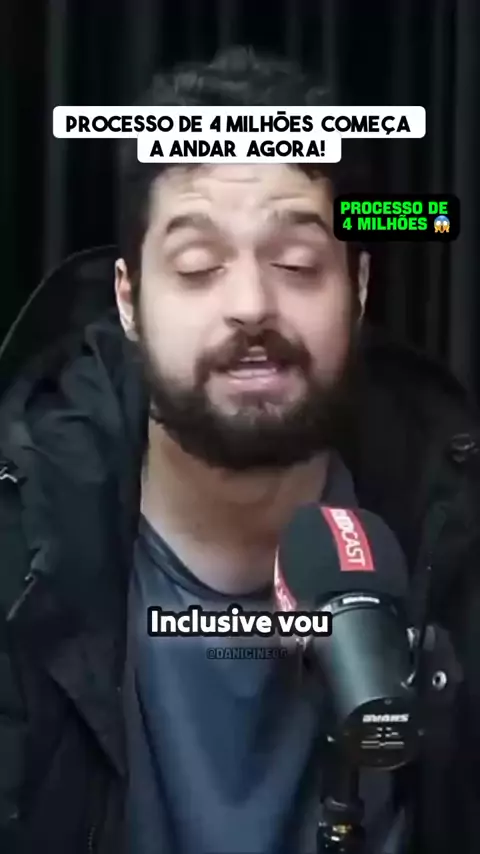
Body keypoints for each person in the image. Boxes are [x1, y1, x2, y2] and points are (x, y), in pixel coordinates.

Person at [0, 46, 479, 854]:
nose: (252, 303)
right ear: (128, 302)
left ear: (359, 289)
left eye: (297, 263)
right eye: (197, 267)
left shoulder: (456, 544)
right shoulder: (18, 548)